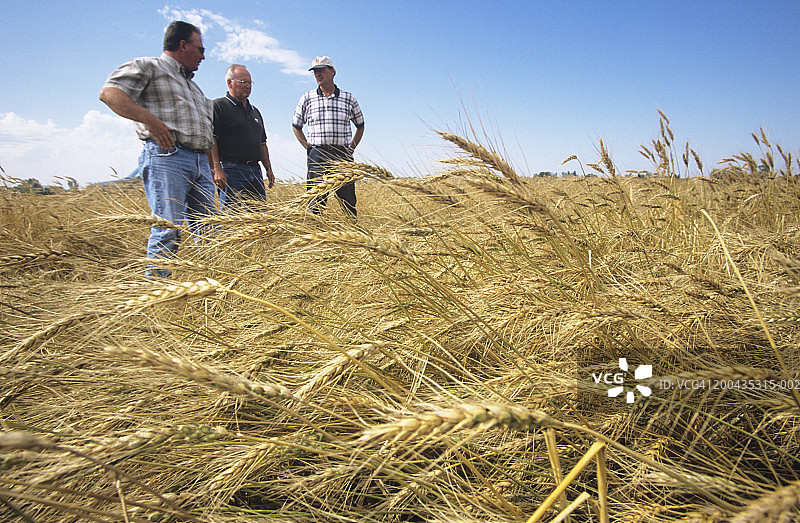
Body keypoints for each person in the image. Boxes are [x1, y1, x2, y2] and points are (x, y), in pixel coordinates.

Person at [99, 20, 215, 277]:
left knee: (211, 230)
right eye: (200, 49)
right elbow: (109, 93)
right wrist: (150, 121)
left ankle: (215, 287)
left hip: (200, 163)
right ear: (183, 45)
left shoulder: (194, 87)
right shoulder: (149, 66)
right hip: (168, 156)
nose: (203, 56)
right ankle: (158, 293)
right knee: (167, 229)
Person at [292, 56, 364, 217]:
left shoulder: (349, 98)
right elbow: (296, 126)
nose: (318, 74)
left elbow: (360, 125)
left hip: (342, 155)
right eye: (315, 72)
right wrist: (309, 148)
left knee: (348, 203)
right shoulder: (307, 98)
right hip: (317, 155)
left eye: (321, 70)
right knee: (315, 203)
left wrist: (350, 149)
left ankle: (352, 230)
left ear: (332, 71)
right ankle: (315, 230)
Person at [210, 64, 275, 209]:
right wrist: (217, 169)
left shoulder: (255, 111)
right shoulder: (219, 106)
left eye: (250, 82)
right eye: (243, 82)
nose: (248, 86)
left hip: (255, 170)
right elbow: (212, 139)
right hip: (231, 169)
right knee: (232, 214)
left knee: (259, 214)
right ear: (230, 83)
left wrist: (268, 169)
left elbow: (262, 143)